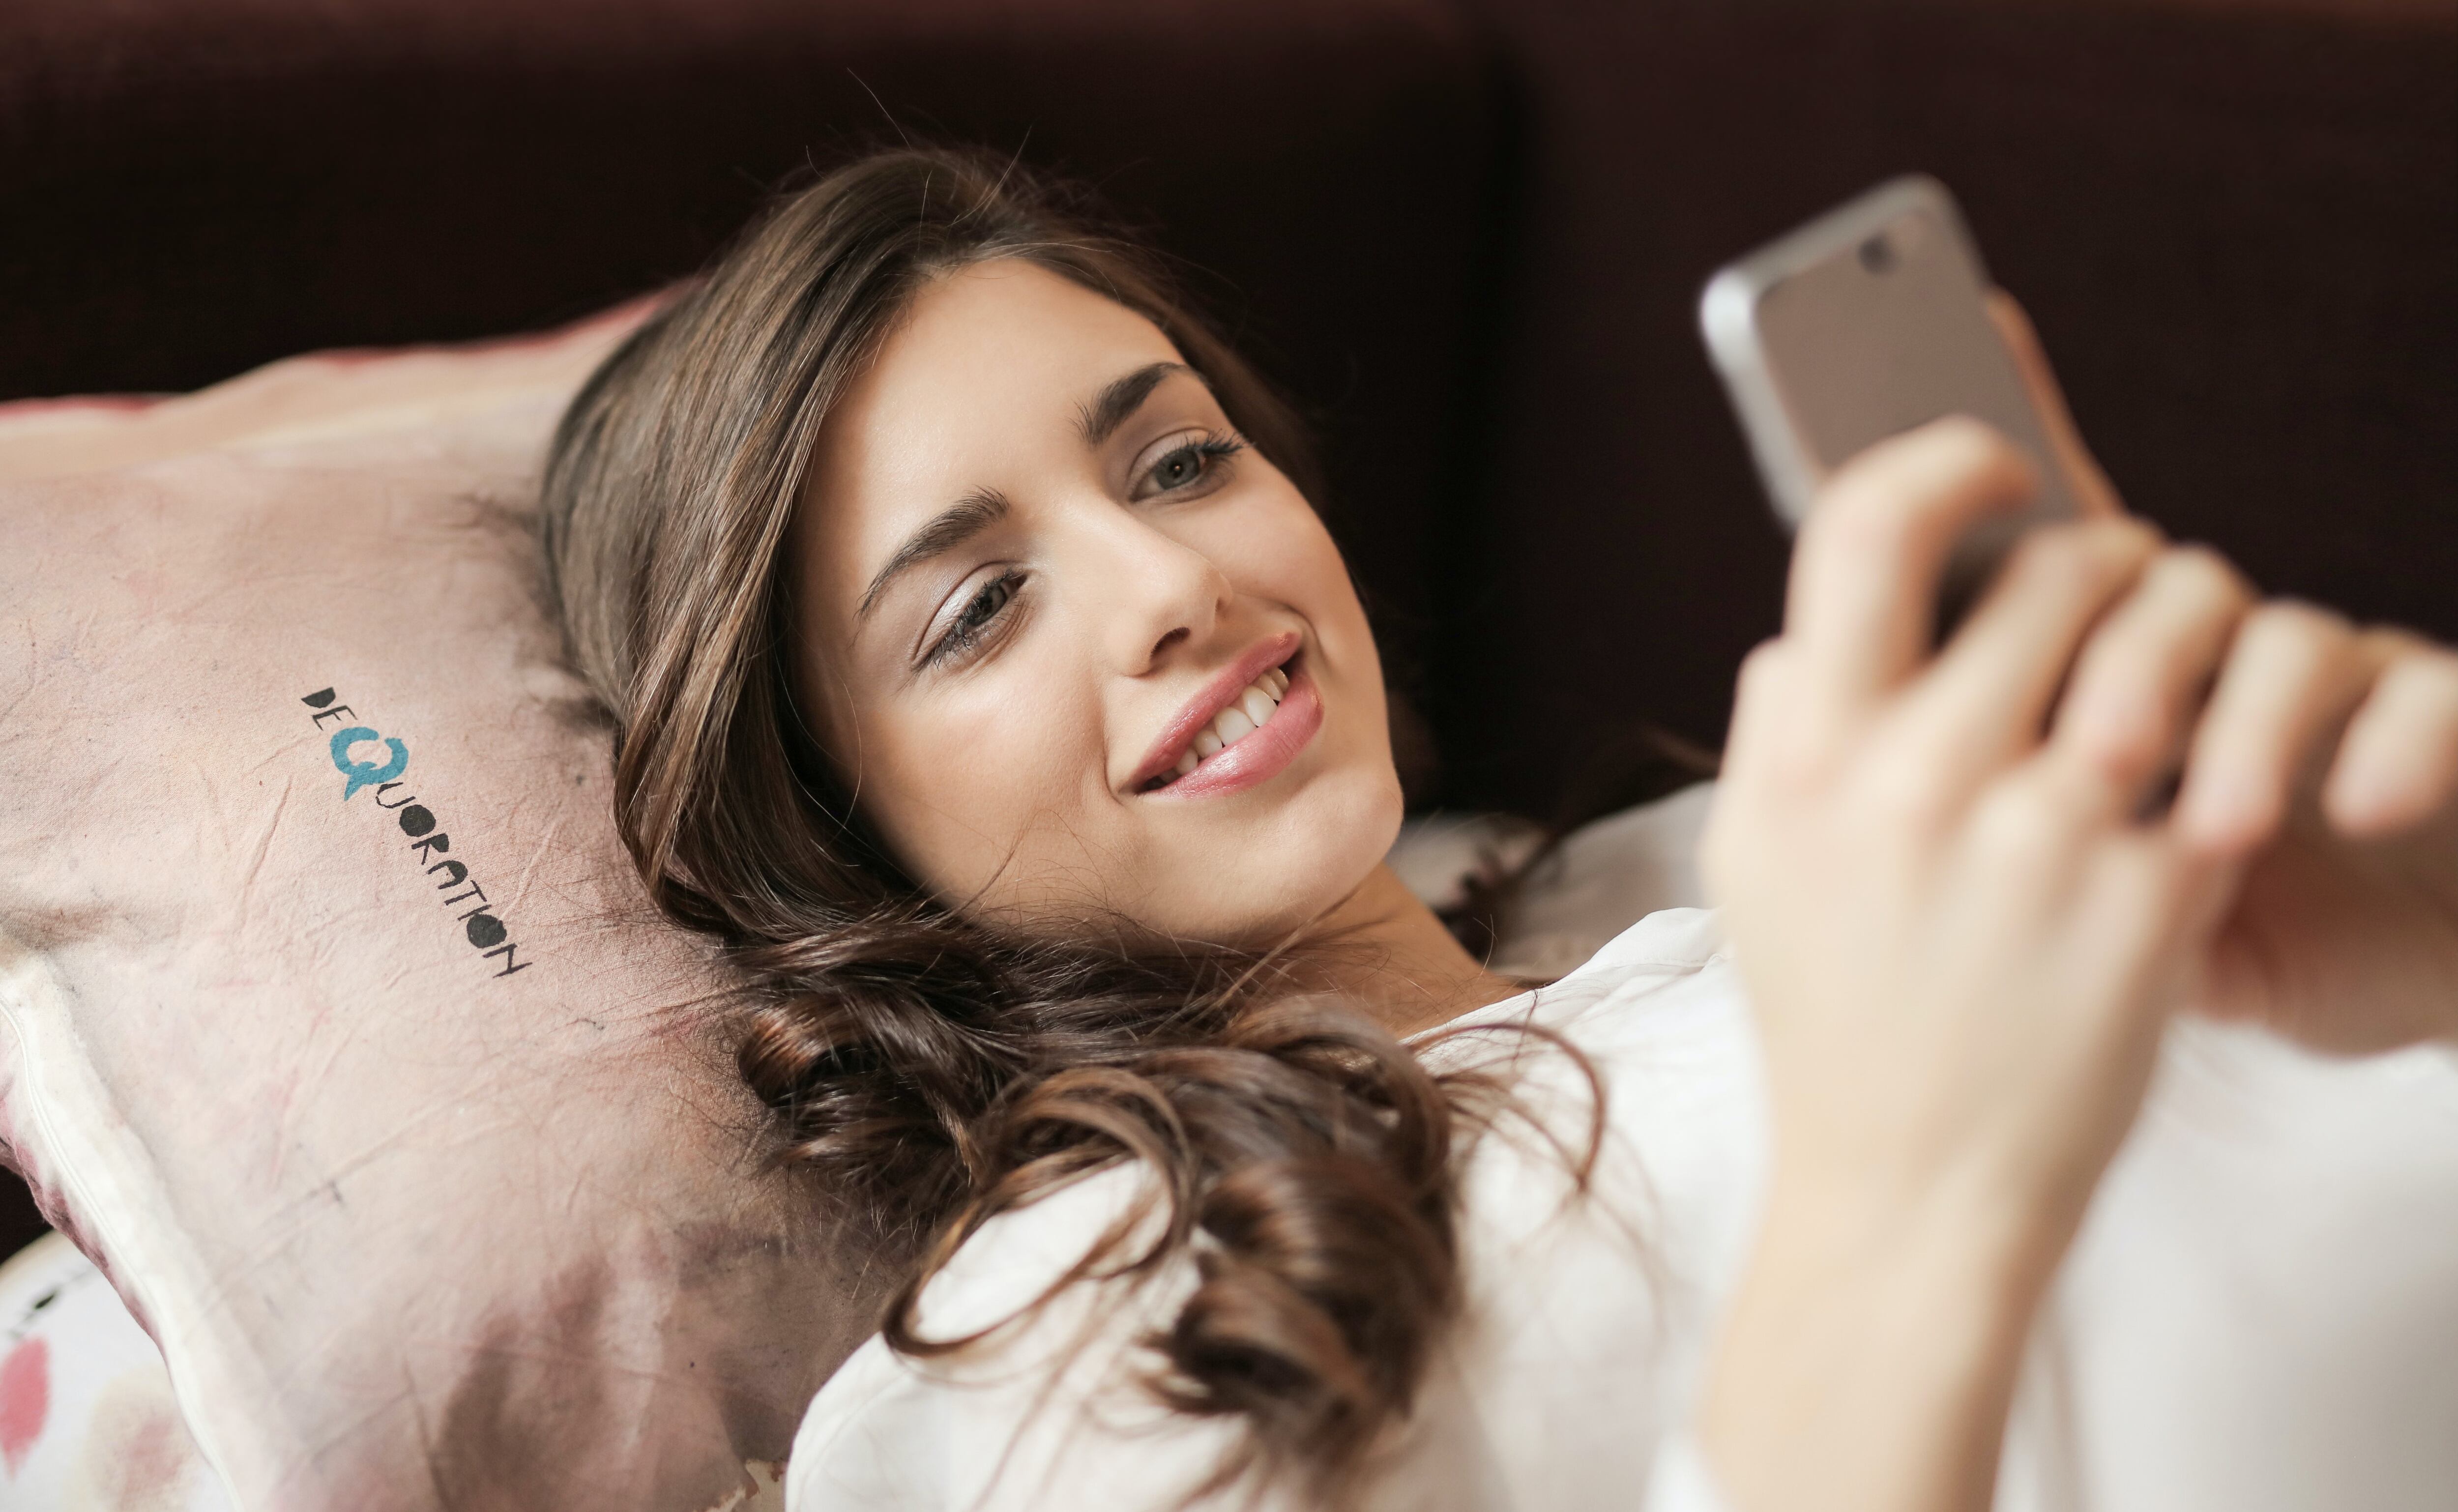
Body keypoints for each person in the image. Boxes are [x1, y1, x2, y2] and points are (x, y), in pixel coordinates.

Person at [540, 148, 2458, 1512]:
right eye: (974, 608)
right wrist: (1905, 1198)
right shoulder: (1078, 1319)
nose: (1164, 579)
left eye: (1182, 458)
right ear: (838, 842)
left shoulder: (1751, 847)